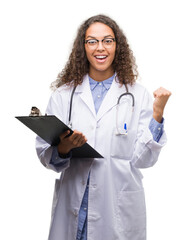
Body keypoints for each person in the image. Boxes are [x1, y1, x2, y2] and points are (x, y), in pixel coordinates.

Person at [36, 14, 171, 240]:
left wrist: (157, 114)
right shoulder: (64, 95)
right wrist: (64, 148)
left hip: (116, 212)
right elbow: (45, 156)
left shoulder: (137, 95)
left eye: (108, 40)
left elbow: (143, 160)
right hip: (73, 210)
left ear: (117, 46)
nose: (101, 48)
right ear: (84, 47)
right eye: (92, 41)